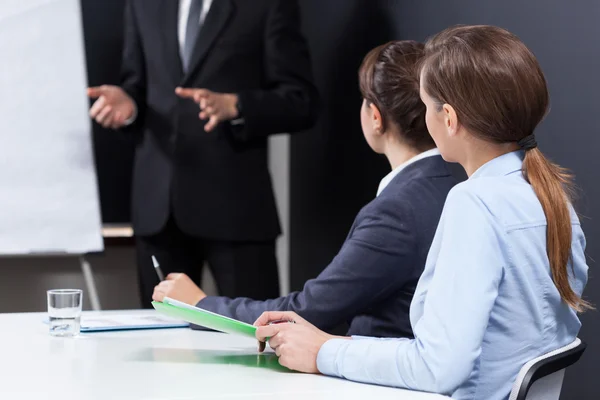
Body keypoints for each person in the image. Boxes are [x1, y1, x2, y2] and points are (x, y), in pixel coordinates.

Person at [254, 25, 591, 400]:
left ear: (447, 118)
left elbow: (439, 368)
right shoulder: (551, 195)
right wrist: (332, 344)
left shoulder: (475, 204)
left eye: (426, 103)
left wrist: (324, 351)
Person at [152, 40, 457, 338]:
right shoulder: (458, 183)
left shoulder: (397, 210)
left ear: (375, 117)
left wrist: (199, 305)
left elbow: (306, 311)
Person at [87, 0, 319, 306]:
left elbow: (301, 102)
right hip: (159, 210)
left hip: (236, 211)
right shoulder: (143, 5)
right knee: (162, 345)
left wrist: (237, 105)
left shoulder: (266, 6)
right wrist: (128, 108)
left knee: (253, 338)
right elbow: (138, 87)